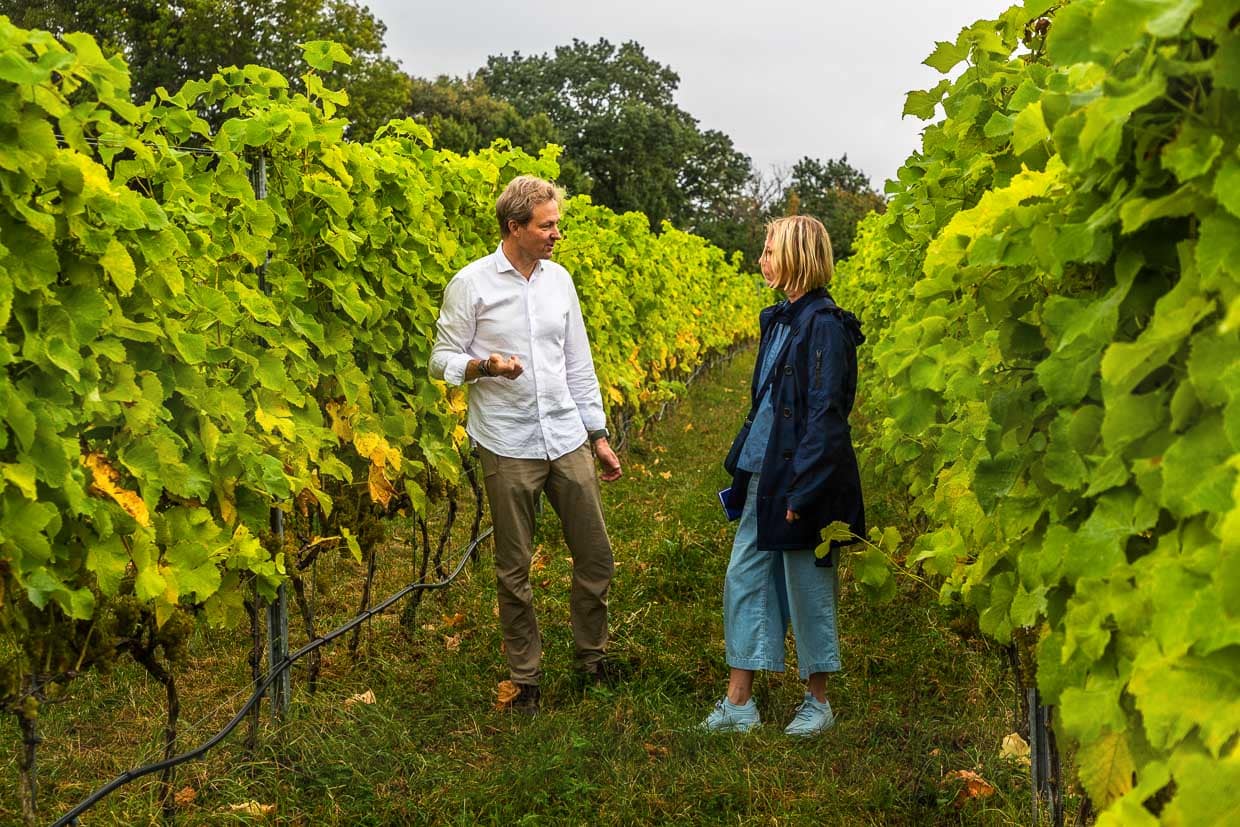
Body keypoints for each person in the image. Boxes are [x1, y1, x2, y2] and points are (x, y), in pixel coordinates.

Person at [430, 175, 623, 716]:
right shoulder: (470, 284)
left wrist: (599, 436)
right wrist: (483, 366)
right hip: (507, 440)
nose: (557, 233)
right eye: (547, 225)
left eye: (557, 223)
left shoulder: (560, 282)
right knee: (514, 567)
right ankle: (526, 679)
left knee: (595, 555)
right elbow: (440, 360)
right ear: (514, 227)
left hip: (565, 436)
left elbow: (579, 365)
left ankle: (592, 658)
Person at [701, 215, 865, 736]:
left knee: (806, 585)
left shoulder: (825, 326)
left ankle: (818, 702)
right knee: (745, 578)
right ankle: (739, 703)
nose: (762, 259)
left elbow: (827, 415)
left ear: (796, 256)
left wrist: (805, 487)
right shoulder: (781, 319)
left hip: (799, 480)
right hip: (762, 473)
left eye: (770, 249)